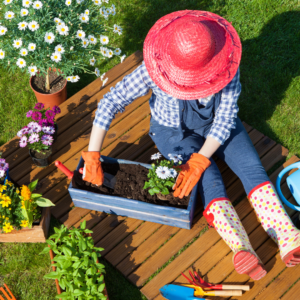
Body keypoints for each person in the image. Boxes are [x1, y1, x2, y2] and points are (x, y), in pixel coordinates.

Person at [82, 10, 300, 280]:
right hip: (172, 134)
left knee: (251, 167)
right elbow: (111, 102)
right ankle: (241, 247)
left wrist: (200, 158)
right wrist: (93, 153)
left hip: (217, 126)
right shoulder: (155, 68)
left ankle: (287, 235)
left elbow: (226, 118)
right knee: (209, 179)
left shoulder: (226, 66)